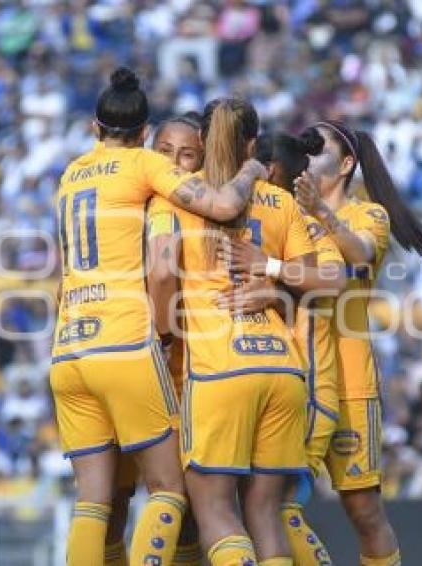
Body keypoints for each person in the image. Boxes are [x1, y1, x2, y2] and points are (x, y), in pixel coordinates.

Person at [51, 68, 266, 566]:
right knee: (169, 488)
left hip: (68, 347)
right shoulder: (144, 166)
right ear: (146, 134)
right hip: (124, 342)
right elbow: (223, 203)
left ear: (93, 128)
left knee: (93, 499)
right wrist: (253, 169)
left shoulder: (70, 174)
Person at [147, 98, 314, 565]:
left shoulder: (179, 196)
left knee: (214, 508)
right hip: (282, 368)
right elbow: (316, 277)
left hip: (221, 368)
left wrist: (161, 335)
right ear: (253, 145)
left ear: (200, 143)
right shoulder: (279, 199)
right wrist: (277, 288)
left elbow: (161, 275)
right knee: (264, 512)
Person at [295, 120, 422, 566]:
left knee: (363, 510)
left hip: (350, 376)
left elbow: (358, 253)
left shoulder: (367, 214)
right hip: (295, 372)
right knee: (278, 500)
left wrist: (321, 210)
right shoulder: (288, 211)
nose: (307, 153)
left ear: (346, 163)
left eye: (316, 147)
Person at [220, 128, 349, 565]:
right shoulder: (248, 218)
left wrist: (270, 270)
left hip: (310, 385)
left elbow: (335, 279)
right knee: (263, 508)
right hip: (276, 379)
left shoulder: (304, 221)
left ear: (268, 169)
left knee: (281, 507)